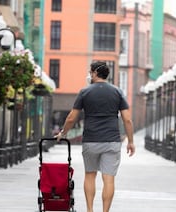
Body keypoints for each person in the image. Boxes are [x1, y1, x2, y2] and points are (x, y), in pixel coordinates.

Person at [56, 61, 135, 212]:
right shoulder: (117, 92)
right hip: (112, 141)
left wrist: (63, 133)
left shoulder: (85, 92)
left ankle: (90, 210)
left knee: (90, 175)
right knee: (109, 178)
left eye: (90, 72)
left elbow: (71, 118)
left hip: (91, 140)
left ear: (94, 73)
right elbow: (127, 119)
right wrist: (130, 141)